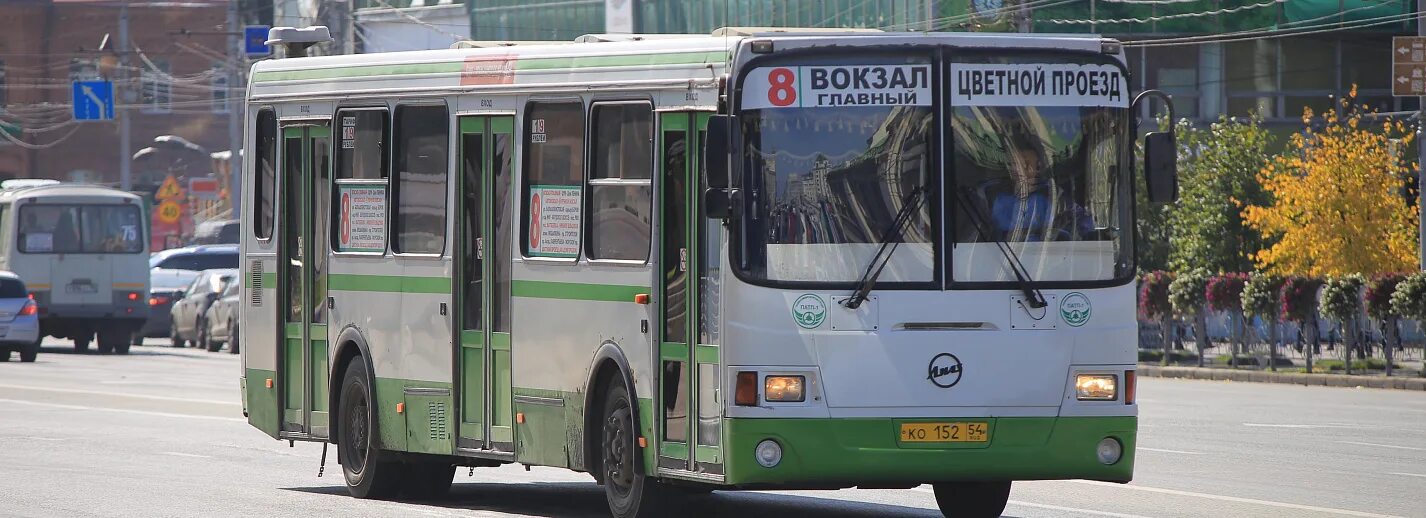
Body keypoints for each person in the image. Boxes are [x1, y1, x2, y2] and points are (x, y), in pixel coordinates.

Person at [987, 141, 1095, 241]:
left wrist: (1065, 228)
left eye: (1026, 164)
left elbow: (1085, 223)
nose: (1018, 169)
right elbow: (990, 232)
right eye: (1014, 164)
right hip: (1005, 252)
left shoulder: (1053, 194)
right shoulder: (995, 195)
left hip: (1047, 252)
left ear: (1038, 167)